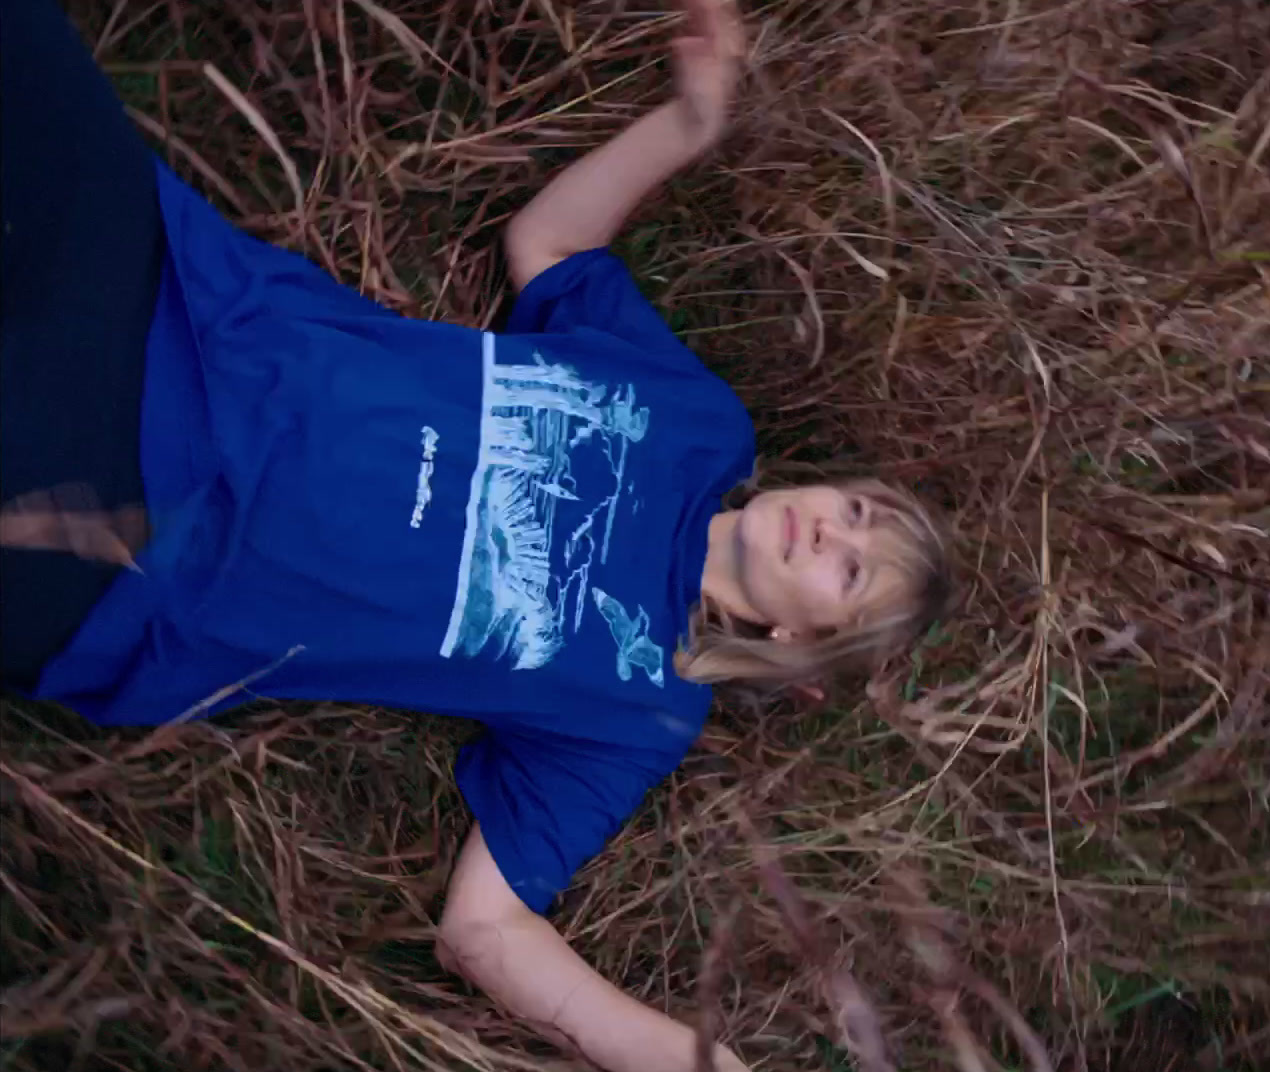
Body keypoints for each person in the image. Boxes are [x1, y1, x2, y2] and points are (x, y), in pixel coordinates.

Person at [0, 1, 953, 1068]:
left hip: (131, 548)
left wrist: (698, 1062)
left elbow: (487, 930)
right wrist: (686, 127)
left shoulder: (642, 707)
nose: (832, 526)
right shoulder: (702, 423)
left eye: (849, 569)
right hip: (176, 299)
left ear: (796, 650)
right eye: (857, 510)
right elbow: (550, 244)